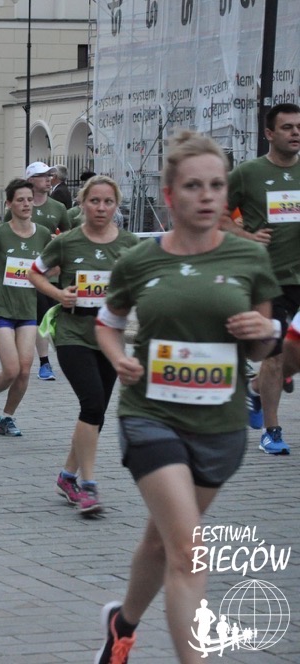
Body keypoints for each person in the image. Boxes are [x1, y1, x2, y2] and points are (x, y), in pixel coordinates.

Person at [93, 131, 279, 664]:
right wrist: (117, 357)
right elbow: (108, 322)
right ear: (170, 195)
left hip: (220, 425)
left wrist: (260, 331)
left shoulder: (249, 258)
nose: (207, 196)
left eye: (217, 186)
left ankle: (122, 625)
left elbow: (264, 342)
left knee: (163, 542)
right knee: (190, 552)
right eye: (194, 186)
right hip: (150, 415)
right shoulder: (139, 260)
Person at [29, 176, 138, 515]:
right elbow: (34, 273)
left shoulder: (131, 244)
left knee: (97, 413)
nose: (101, 208)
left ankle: (67, 476)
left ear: (116, 205)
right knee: (91, 403)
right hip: (72, 333)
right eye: (94, 201)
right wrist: (59, 294)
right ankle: (88, 486)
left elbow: (143, 282)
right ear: (82, 203)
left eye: (108, 202)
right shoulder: (67, 242)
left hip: (111, 338)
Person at [226, 102, 300, 455]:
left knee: (290, 355)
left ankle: (255, 388)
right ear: (269, 133)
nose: (296, 132)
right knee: (273, 354)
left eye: (299, 127)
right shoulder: (248, 173)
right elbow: (217, 214)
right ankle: (272, 431)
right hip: (269, 280)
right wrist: (247, 236)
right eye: (287, 127)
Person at [0, 179, 52, 437]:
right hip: (2, 309)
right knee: (11, 369)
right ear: (9, 204)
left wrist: (44, 276)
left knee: (25, 371)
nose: (26, 204)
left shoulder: (43, 234)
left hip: (28, 310)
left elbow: (53, 266)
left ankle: (7, 418)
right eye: (20, 200)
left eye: (29, 199)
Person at [12, 162, 70, 381]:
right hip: (23, 271)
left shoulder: (58, 207)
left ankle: (47, 360)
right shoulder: (20, 205)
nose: (48, 179)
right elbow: (9, 231)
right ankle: (40, 361)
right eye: (43, 175)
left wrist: (59, 239)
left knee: (49, 317)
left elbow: (69, 236)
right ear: (30, 180)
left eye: (50, 175)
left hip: (50, 272)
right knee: (34, 317)